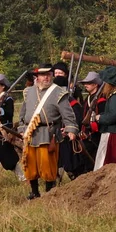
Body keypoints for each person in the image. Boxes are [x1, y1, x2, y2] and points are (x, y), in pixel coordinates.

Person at [19, 63, 79, 199]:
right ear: (37, 77)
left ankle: (49, 193)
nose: (46, 77)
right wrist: (22, 129)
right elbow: (23, 113)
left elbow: (68, 114)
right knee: (30, 164)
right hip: (30, 132)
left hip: (48, 132)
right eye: (43, 75)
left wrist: (71, 129)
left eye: (49, 74)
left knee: (47, 166)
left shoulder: (58, 92)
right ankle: (34, 192)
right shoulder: (28, 92)